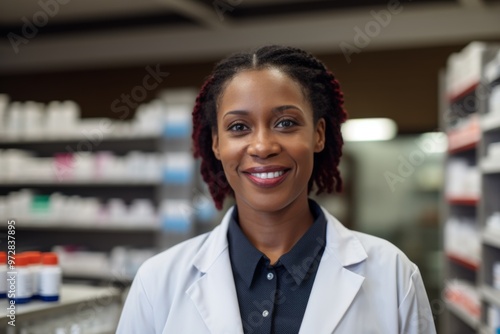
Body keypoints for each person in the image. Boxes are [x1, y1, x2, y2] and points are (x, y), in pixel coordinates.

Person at [116, 45, 436, 334]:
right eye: (239, 127)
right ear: (216, 143)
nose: (262, 146)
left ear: (319, 135)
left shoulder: (393, 274)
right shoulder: (157, 282)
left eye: (285, 123)